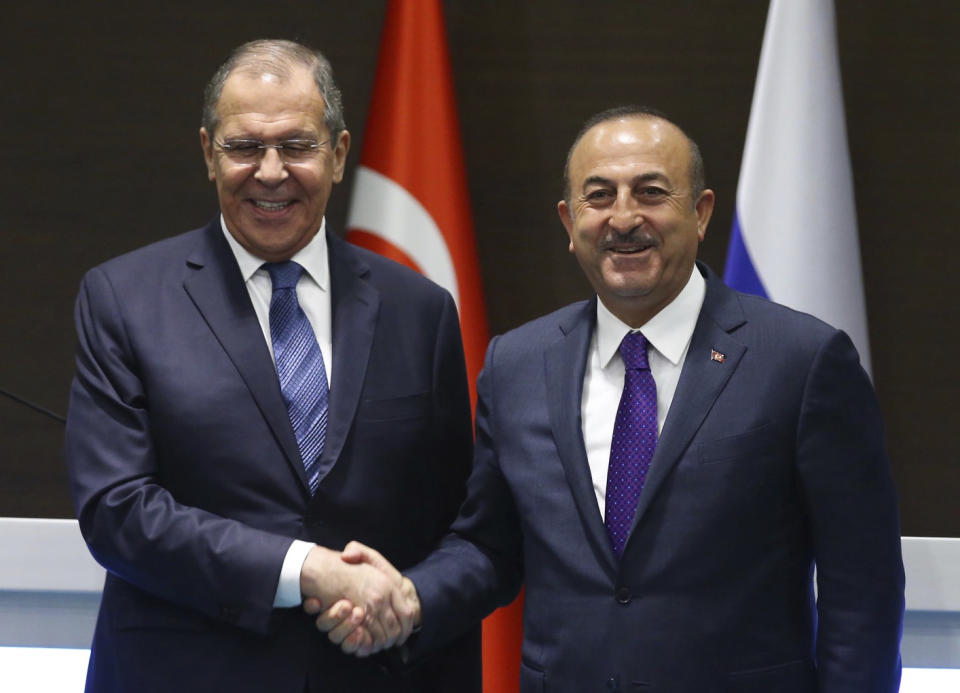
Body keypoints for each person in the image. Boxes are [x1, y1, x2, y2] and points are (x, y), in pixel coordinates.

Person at [315, 106, 905, 692]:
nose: (623, 218)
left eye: (651, 192)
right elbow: (490, 544)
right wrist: (411, 599)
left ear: (700, 214)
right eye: (599, 197)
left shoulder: (801, 361)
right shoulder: (517, 364)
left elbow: (864, 590)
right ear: (570, 224)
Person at [64, 39, 479, 693]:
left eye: (297, 145)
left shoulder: (419, 311)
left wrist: (409, 602)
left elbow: (463, 524)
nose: (270, 170)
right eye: (243, 146)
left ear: (339, 154)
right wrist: (305, 567)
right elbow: (117, 510)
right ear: (208, 152)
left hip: (371, 673)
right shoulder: (125, 298)